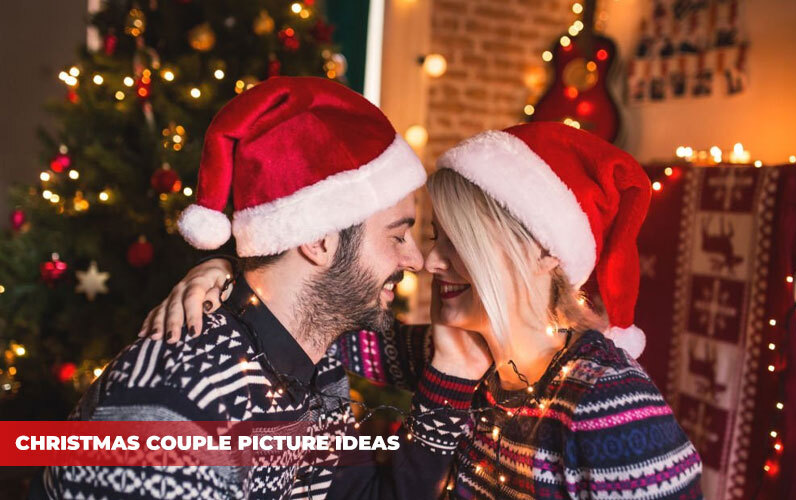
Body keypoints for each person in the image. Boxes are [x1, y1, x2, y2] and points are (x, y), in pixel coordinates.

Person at [155, 122, 704, 498]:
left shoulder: (609, 402)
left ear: (543, 253)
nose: (429, 261)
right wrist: (232, 272)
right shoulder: (470, 353)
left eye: (457, 240)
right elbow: (308, 322)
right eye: (433, 236)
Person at [38, 77, 491, 500]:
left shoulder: (316, 359)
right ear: (318, 241)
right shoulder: (175, 409)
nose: (416, 260)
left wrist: (454, 366)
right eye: (397, 236)